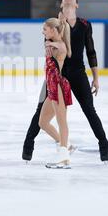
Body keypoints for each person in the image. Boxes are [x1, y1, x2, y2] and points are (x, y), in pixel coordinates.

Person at [22, 0, 108, 163]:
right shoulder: (55, 25)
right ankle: (28, 149)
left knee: (89, 110)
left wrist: (96, 78)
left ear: (76, 5)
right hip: (57, 75)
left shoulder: (85, 25)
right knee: (40, 112)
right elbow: (48, 45)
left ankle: (104, 147)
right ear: (62, 6)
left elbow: (91, 52)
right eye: (65, 4)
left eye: (72, 4)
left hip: (78, 74)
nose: (69, 6)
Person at [39, 18, 74, 169]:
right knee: (42, 122)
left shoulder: (60, 46)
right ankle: (66, 146)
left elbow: (60, 47)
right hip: (52, 88)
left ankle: (64, 156)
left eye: (45, 29)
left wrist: (51, 43)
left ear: (53, 30)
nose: (43, 32)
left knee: (61, 121)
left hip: (59, 86)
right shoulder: (52, 43)